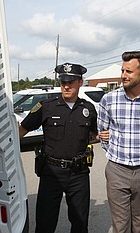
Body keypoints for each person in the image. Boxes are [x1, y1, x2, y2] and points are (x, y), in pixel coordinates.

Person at [19, 63, 98, 233]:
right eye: (63, 82)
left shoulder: (88, 109)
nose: (66, 86)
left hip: (79, 173)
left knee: (80, 222)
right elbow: (21, 131)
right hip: (51, 173)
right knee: (45, 222)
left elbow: (95, 134)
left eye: (71, 82)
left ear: (80, 82)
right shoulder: (46, 107)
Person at [97, 51, 140, 233]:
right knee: (120, 225)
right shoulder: (109, 99)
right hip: (116, 170)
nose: (123, 75)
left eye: (129, 71)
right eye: (122, 70)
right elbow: (102, 131)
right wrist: (112, 150)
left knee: (139, 222)